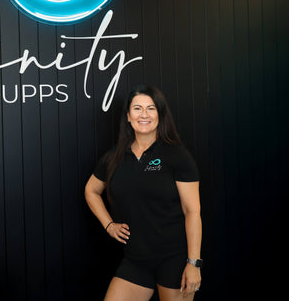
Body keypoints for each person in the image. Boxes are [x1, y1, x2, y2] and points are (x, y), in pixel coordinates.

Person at [85, 85, 202, 301]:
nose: (144, 115)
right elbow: (91, 190)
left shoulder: (176, 155)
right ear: (128, 116)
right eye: (137, 108)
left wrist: (194, 263)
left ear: (160, 115)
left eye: (151, 108)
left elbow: (192, 211)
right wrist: (109, 225)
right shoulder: (115, 157)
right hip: (136, 259)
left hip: (174, 259)